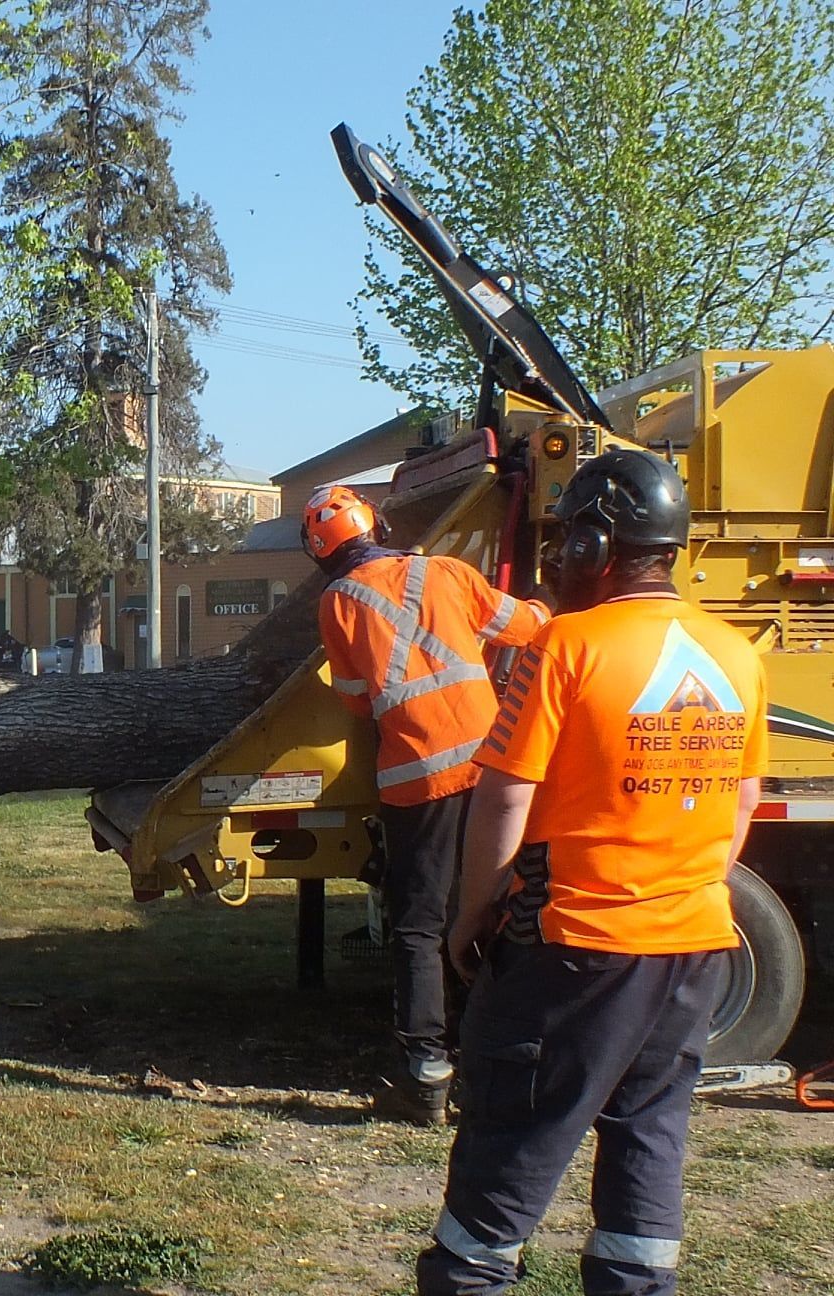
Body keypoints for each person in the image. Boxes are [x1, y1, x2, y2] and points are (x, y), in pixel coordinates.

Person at [418, 449, 767, 1296]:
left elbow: (504, 798)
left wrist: (473, 916)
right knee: (649, 1140)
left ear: (594, 547)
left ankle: (468, 1277)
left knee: (512, 1142)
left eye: (569, 537)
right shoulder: (737, 655)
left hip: (575, 949)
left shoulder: (562, 645)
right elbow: (742, 801)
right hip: (693, 949)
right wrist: (681, 887)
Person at [303, 483, 549, 1125]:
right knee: (505, 907)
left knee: (420, 926)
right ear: (375, 523)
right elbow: (524, 627)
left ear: (322, 553)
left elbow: (355, 696)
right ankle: (507, 1058)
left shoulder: (336, 603)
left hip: (416, 783)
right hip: (493, 768)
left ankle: (425, 1074)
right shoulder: (445, 571)